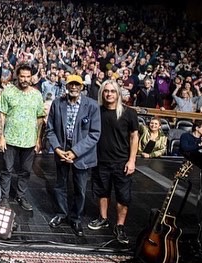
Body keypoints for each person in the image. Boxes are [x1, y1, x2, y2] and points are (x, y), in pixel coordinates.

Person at [46, 74, 101, 237]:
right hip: (62, 151)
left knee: (80, 189)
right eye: (71, 84)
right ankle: (61, 214)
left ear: (82, 87)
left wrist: (75, 151)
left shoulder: (92, 105)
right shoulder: (57, 103)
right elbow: (50, 130)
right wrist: (57, 148)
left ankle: (76, 218)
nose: (74, 87)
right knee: (60, 186)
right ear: (67, 86)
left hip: (82, 153)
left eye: (77, 85)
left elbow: (94, 134)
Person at [88, 79, 139, 244]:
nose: (109, 94)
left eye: (112, 91)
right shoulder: (96, 111)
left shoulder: (129, 113)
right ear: (102, 93)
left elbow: (134, 137)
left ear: (118, 93)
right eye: (106, 91)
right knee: (102, 192)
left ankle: (120, 226)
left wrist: (132, 160)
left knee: (123, 196)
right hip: (100, 161)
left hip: (121, 162)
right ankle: (103, 218)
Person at [0, 63, 46, 211]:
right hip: (10, 138)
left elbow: (40, 118)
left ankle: (21, 196)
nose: (25, 79)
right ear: (17, 76)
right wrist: (1, 136)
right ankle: (4, 198)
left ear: (31, 78)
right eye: (22, 76)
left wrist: (38, 139)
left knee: (25, 171)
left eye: (28, 77)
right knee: (7, 170)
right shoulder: (8, 92)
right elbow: (1, 115)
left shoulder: (37, 95)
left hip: (29, 140)